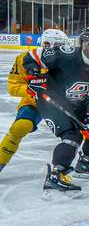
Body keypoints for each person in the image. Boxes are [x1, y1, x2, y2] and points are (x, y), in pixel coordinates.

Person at [23, 28, 89, 195]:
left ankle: (85, 163)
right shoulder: (65, 54)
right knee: (72, 134)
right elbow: (31, 57)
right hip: (51, 100)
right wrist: (33, 75)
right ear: (85, 44)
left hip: (78, 104)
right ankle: (55, 174)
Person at [0, 29, 69, 173]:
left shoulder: (70, 62)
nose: (58, 49)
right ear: (45, 44)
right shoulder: (24, 58)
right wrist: (33, 90)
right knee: (20, 126)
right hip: (35, 102)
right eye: (55, 45)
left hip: (63, 104)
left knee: (87, 128)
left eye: (61, 45)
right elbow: (13, 87)